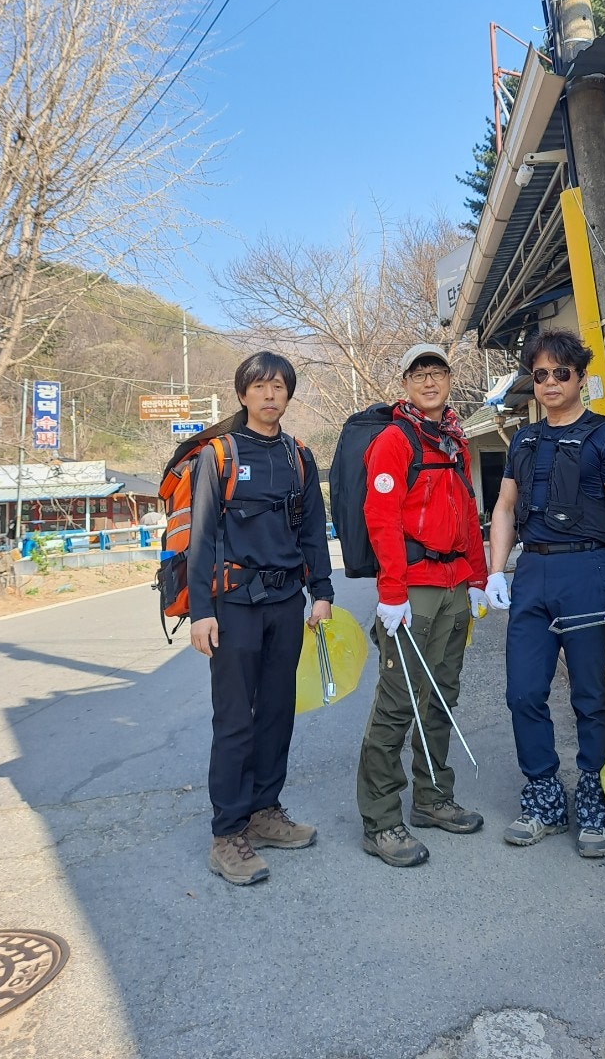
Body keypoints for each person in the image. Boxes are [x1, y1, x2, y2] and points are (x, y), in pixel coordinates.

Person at [485, 328, 605, 860]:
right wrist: (496, 572)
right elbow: (505, 508)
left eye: (561, 373)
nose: (550, 382)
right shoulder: (524, 442)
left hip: (587, 571)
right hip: (532, 570)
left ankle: (596, 796)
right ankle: (545, 797)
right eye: (540, 374)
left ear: (579, 377)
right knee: (523, 692)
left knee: (590, 694)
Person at [188, 351, 334, 886]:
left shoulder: (299, 456)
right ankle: (227, 833)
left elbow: (313, 531)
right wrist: (201, 611)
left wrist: (322, 592)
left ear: (288, 395)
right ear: (242, 394)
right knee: (234, 719)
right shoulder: (219, 455)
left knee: (276, 711)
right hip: (233, 606)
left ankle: (264, 811)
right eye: (260, 386)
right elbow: (201, 535)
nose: (270, 395)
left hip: (285, 602)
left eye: (279, 387)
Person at [357, 344, 489, 867]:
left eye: (437, 372)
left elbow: (468, 512)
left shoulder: (454, 439)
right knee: (398, 704)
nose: (429, 381)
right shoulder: (394, 440)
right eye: (419, 374)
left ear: (450, 379)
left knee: (441, 699)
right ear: (405, 384)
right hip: (412, 589)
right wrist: (391, 593)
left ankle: (432, 798)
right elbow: (381, 519)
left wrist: (477, 577)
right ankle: (380, 820)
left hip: (455, 586)